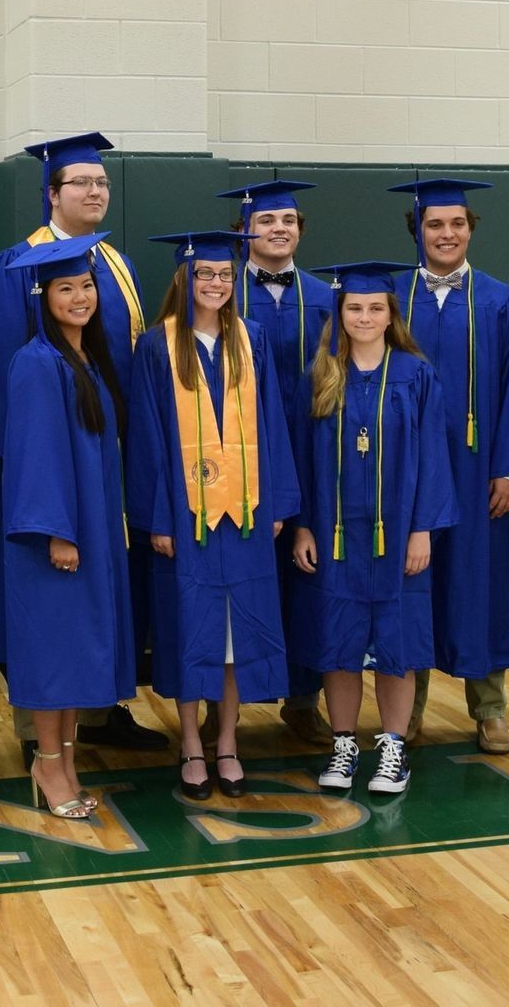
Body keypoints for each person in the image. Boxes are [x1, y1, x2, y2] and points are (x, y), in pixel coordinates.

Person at [0, 131, 165, 759]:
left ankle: (100, 709)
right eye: (81, 182)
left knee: (104, 583)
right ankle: (39, 732)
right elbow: (3, 380)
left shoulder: (116, 265)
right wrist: (31, 484)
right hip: (46, 461)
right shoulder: (18, 266)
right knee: (49, 593)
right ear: (51, 193)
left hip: (106, 451)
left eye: (102, 182)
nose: (95, 191)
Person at [126, 230, 301, 799]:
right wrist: (158, 518)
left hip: (245, 515)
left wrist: (277, 503)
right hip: (187, 516)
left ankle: (227, 742)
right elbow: (147, 439)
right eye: (205, 274)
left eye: (225, 275)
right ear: (185, 279)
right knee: (189, 629)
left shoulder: (252, 338)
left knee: (234, 636)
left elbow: (272, 423)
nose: (217, 283)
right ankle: (190, 745)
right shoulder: (157, 347)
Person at [287, 263, 457, 797]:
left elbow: (434, 457)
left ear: (391, 316)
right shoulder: (320, 375)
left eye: (375, 308)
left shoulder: (416, 375)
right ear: (340, 315)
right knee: (339, 642)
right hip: (335, 534)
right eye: (355, 308)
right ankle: (343, 744)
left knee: (395, 642)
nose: (364, 317)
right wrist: (303, 527)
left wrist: (422, 530)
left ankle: (392, 748)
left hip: (398, 534)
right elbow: (299, 459)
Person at [389, 179, 509, 755]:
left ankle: (490, 709)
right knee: (412, 585)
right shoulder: (391, 299)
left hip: (480, 474)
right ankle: (407, 711)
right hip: (407, 475)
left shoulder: (501, 300)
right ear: (417, 231)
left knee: (482, 583)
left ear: (470, 229)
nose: (446, 234)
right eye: (435, 224)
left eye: (457, 224)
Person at [0, 234, 136, 819]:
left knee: (77, 654)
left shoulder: (86, 360)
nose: (80, 297)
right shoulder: (36, 363)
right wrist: (58, 532)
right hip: (56, 539)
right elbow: (37, 456)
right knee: (53, 657)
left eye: (86, 286)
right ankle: (47, 765)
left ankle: (66, 763)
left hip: (91, 532)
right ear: (43, 296)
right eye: (65, 289)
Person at [215, 179, 335, 746]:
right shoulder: (220, 292)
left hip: (313, 454)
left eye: (288, 220)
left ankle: (304, 700)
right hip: (236, 456)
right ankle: (222, 708)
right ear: (244, 231)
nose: (278, 229)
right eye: (266, 220)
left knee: (310, 580)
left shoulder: (327, 296)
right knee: (234, 580)